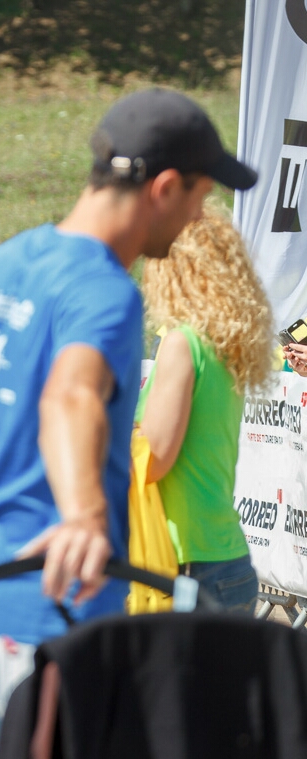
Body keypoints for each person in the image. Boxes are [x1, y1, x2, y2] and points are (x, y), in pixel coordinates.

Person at [0, 88, 258, 759]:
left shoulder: (2, 268)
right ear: (165, 186)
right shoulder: (104, 291)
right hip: (59, 611)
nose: (196, 218)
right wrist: (85, 515)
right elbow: (72, 394)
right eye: (200, 197)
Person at [136, 210, 272, 614]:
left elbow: (156, 456)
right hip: (224, 557)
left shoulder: (183, 343)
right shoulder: (227, 343)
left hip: (184, 565)